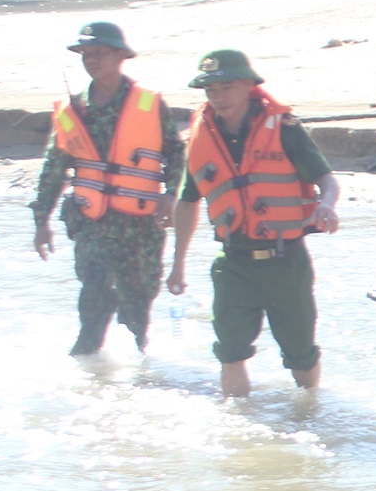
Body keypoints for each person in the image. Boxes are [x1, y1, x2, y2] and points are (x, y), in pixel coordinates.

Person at [166, 50, 341, 395]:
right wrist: (177, 265)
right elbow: (187, 202)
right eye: (210, 90)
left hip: (286, 262)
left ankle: (309, 413)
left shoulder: (285, 129)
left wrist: (327, 205)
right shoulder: (201, 137)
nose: (218, 96)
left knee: (300, 355)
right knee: (230, 353)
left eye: (226, 87)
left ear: (248, 85)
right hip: (233, 263)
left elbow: (328, 180)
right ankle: (239, 430)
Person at [31, 21, 180, 357]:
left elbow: (176, 152)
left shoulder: (149, 104)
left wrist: (170, 195)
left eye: (98, 53)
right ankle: (86, 374)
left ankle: (144, 370)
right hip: (92, 225)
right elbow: (54, 167)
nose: (90, 59)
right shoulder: (74, 111)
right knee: (93, 300)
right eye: (85, 53)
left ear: (120, 55)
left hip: (141, 228)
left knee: (137, 309)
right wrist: (42, 220)